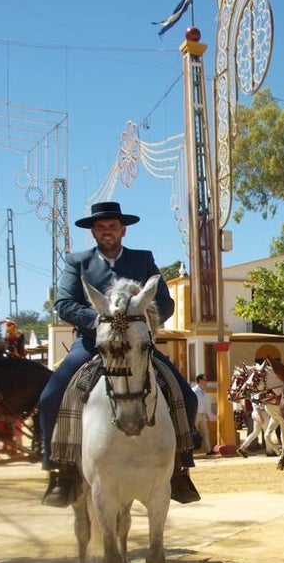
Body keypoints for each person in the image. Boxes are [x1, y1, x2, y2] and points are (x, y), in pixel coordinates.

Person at [37, 200, 200, 507]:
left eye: (112, 226)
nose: (107, 231)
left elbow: (165, 303)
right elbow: (64, 304)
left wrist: (142, 319)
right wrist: (100, 321)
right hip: (92, 344)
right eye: (101, 227)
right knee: (50, 398)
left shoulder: (143, 259)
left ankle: (179, 467)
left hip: (138, 345)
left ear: (123, 229)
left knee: (185, 395)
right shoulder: (77, 262)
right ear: (94, 231)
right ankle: (59, 471)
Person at [191, 374, 214, 455]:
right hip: (195, 414)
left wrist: (206, 414)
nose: (206, 382)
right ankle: (190, 452)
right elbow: (192, 404)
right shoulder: (194, 391)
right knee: (192, 433)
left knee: (205, 433)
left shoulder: (203, 391)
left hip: (202, 415)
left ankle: (209, 451)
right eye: (205, 380)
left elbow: (203, 404)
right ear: (200, 381)